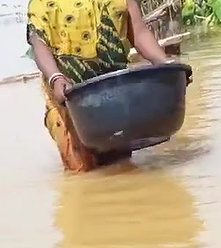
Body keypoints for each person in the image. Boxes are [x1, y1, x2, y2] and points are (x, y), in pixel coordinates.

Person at [26, 0, 181, 172]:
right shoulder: (42, 3)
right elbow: (39, 43)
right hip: (68, 99)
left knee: (121, 165)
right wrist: (55, 77)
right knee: (82, 170)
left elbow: (138, 32)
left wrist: (168, 66)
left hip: (114, 95)